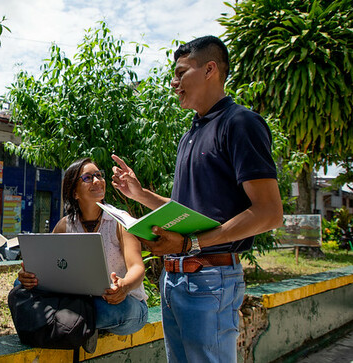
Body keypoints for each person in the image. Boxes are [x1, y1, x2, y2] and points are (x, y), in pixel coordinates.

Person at [111, 35, 283, 363]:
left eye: (180, 73)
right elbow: (186, 214)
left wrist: (191, 245)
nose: (174, 83)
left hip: (211, 281)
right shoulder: (191, 133)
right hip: (175, 279)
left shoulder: (240, 123)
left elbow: (269, 213)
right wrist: (140, 194)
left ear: (210, 70)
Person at [17, 158, 149, 343]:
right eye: (87, 177)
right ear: (74, 192)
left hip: (123, 305)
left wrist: (124, 286)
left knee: (104, 309)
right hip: (81, 302)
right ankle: (80, 326)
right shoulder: (65, 226)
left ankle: (72, 325)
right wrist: (28, 275)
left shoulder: (119, 221)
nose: (97, 181)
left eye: (98, 175)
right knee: (19, 285)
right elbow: (49, 265)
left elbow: (137, 267)